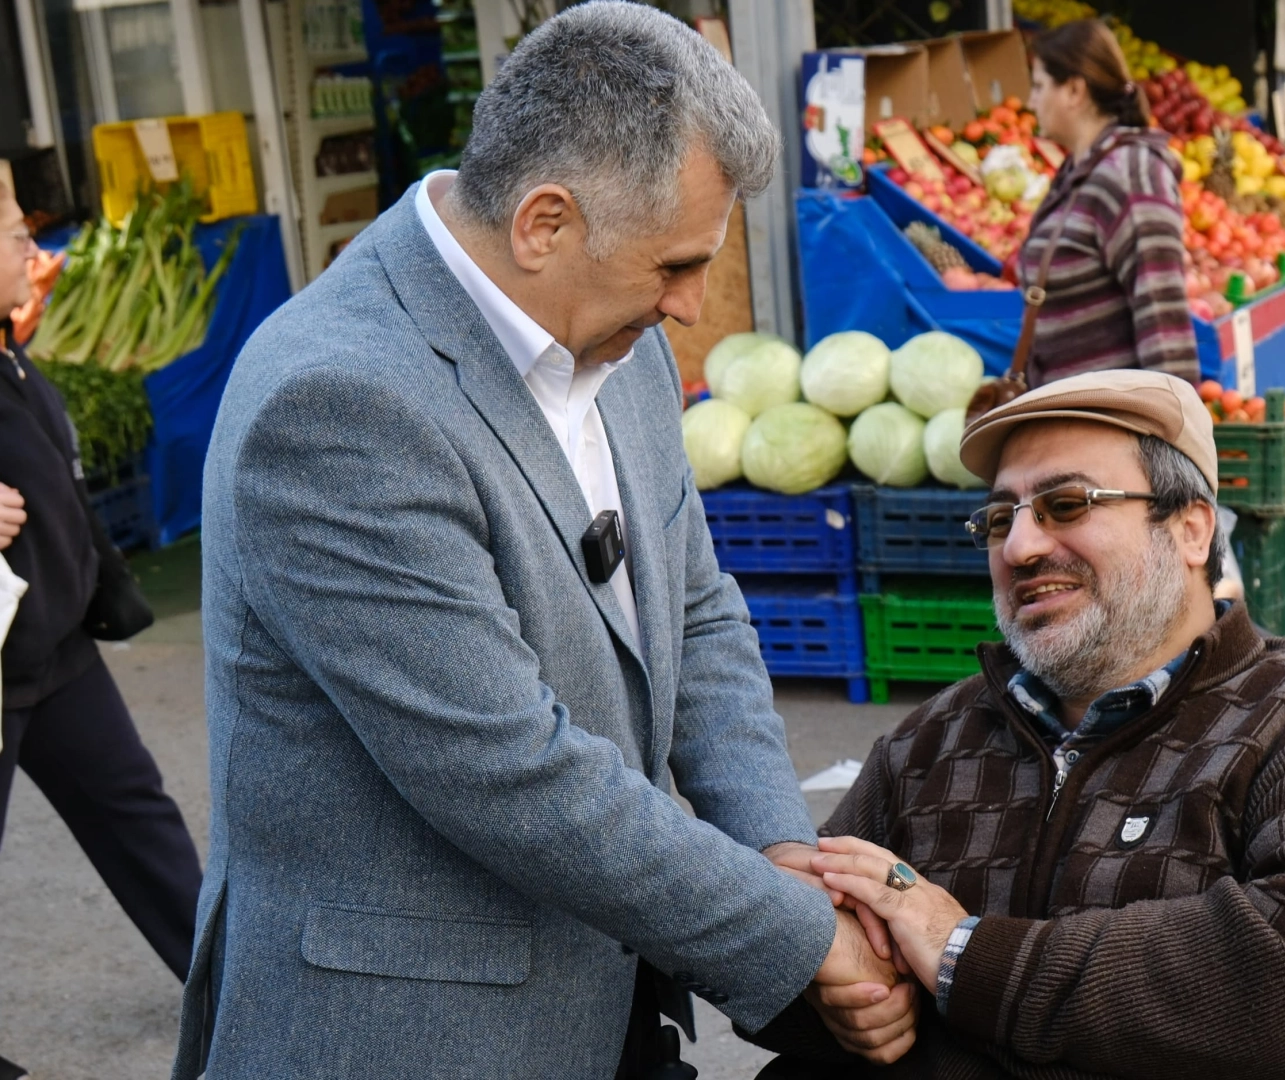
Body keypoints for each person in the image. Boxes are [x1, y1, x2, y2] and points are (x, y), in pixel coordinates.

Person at [172, 6, 903, 1079]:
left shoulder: (615, 336)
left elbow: (697, 614)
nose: (694, 307)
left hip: (605, 1005)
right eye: (676, 267)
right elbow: (508, 770)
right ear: (544, 223)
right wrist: (800, 934)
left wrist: (776, 848)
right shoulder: (338, 404)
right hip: (415, 1042)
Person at [749, 370, 1285, 1079]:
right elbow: (779, 969)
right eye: (1000, 519)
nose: (1020, 548)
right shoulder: (928, 746)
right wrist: (840, 991)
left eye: (1066, 504)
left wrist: (961, 955)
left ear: (1191, 530)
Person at [0, 181, 203, 1080]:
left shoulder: (11, 349)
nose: (31, 249)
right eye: (13, 234)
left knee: (137, 815)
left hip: (57, 647)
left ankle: (226, 978)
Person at [1019, 20, 1199, 387]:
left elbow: (1165, 324)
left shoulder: (1130, 174)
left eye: (1038, 86)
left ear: (1073, 90)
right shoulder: (1080, 171)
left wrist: (1173, 436)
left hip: (1112, 434)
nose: (1030, 102)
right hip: (1077, 428)